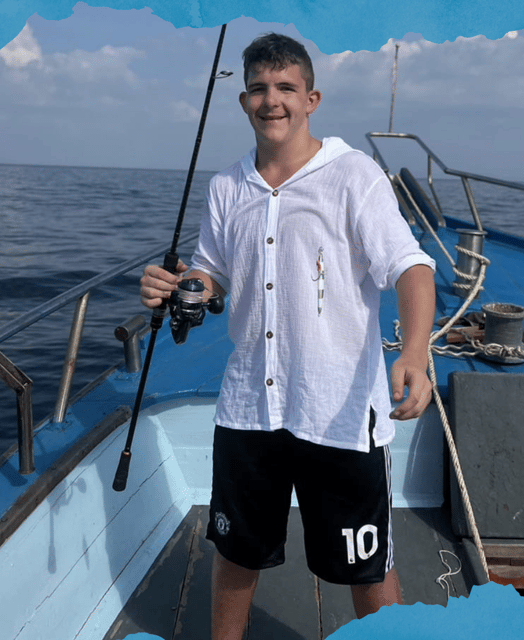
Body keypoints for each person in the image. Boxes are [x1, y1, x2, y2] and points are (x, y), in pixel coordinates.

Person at [140, 32, 436, 640]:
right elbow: (214, 272)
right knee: (236, 553)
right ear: (243, 100)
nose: (270, 100)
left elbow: (411, 265)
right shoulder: (228, 187)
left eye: (285, 88)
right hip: (250, 409)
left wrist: (413, 351)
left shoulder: (353, 176)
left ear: (312, 98)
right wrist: (181, 286)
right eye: (258, 89)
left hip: (343, 414)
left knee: (366, 564)